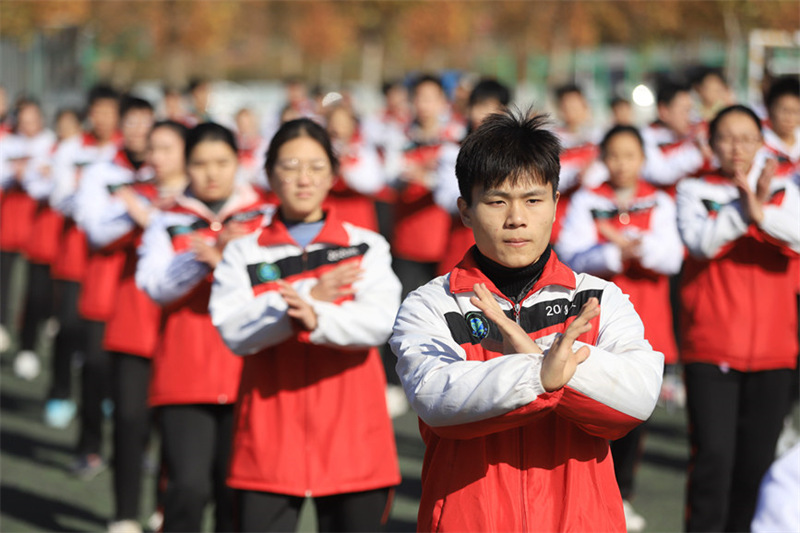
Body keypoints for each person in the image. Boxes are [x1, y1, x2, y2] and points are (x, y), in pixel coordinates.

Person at [390, 109, 664, 531]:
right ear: (465, 210)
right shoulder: (430, 304)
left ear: (556, 203)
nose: (516, 218)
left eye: (533, 200)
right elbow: (435, 398)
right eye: (497, 200)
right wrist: (541, 373)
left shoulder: (597, 296)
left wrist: (549, 366)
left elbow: (638, 397)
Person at [208, 118, 401, 532]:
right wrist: (308, 299)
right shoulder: (243, 252)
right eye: (290, 165)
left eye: (315, 167)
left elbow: (379, 322)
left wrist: (316, 318)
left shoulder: (364, 244)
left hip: (354, 434)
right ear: (269, 173)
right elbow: (234, 330)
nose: (303, 178)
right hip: (269, 433)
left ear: (333, 174)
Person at [136, 122, 271, 532]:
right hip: (183, 373)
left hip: (249, 372)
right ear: (185, 165)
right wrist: (201, 260)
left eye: (221, 162)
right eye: (200, 163)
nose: (212, 173)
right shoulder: (167, 219)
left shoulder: (264, 215)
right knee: (187, 488)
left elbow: (277, 286)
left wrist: (228, 263)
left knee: (236, 492)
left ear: (238, 162)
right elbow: (154, 286)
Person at [676, 104, 800, 531]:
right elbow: (699, 243)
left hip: (775, 351)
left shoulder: (785, 189)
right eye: (727, 138)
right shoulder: (693, 190)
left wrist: (763, 210)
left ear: (761, 144)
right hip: (711, 349)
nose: (737, 147)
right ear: (711, 144)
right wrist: (746, 211)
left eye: (747, 138)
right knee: (714, 460)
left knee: (757, 466)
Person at [556, 124, 684, 532]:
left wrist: (636, 246)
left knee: (634, 411)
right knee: (590, 407)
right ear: (603, 159)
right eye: (614, 155)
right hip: (595, 320)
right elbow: (571, 253)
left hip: (649, 320)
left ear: (643, 160)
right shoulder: (587, 200)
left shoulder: (659, 199)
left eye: (631, 156)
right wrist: (612, 250)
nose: (622, 164)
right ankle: (590, 494)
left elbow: (673, 257)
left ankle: (621, 493)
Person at [81, 120, 188, 533]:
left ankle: (165, 507)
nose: (153, 155)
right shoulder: (132, 191)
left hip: (179, 328)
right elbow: (97, 233)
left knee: (175, 428)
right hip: (132, 321)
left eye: (164, 148)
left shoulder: (198, 202)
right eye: (152, 147)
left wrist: (155, 217)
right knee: (129, 421)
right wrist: (139, 213)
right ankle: (124, 514)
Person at [72, 96, 156, 480]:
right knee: (97, 369)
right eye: (133, 123)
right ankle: (89, 446)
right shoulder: (100, 171)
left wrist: (140, 207)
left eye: (146, 123)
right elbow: (93, 227)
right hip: (105, 288)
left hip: (148, 295)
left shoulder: (165, 172)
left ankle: (138, 448)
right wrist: (136, 211)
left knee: (144, 382)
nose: (140, 131)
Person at [46, 85, 120, 429]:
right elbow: (59, 196)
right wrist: (90, 201)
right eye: (98, 111)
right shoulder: (72, 149)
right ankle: (60, 392)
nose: (103, 118)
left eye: (110, 111)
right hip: (75, 253)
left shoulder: (125, 151)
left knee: (105, 335)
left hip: (112, 258)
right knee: (69, 325)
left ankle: (102, 394)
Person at [0, 98, 57, 380]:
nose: (28, 125)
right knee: (6, 277)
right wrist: (14, 173)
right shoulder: (7, 143)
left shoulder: (52, 144)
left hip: (41, 228)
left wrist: (39, 177)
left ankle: (33, 334)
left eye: (33, 118)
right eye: (23, 119)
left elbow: (55, 183)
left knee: (36, 289)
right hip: (10, 223)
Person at [641, 80, 708, 193]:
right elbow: (660, 173)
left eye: (692, 110)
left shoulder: (699, 132)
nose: (690, 117)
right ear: (663, 111)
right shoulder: (644, 137)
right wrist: (699, 154)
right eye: (685, 111)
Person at [762, 76, 800, 177]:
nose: (790, 118)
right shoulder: (760, 145)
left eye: (796, 111)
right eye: (784, 111)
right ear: (769, 109)